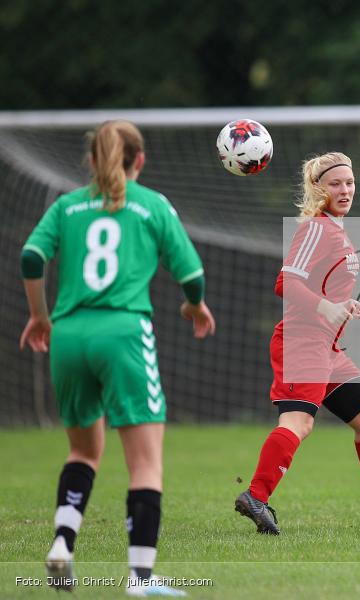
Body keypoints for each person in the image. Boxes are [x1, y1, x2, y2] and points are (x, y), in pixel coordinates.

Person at [19, 120, 216, 596]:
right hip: (123, 333)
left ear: (91, 160)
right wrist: (194, 305)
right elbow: (192, 274)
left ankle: (63, 543)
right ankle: (140, 579)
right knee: (145, 463)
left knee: (83, 451)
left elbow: (31, 257)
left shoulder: (67, 205)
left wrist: (40, 316)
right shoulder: (151, 205)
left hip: (68, 335)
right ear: (139, 160)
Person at [234, 152, 360, 535]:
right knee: (298, 422)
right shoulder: (317, 227)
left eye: (349, 182)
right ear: (318, 188)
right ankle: (255, 496)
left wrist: (342, 305)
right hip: (302, 343)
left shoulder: (335, 228)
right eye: (335, 184)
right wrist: (326, 306)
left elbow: (321, 287)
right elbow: (285, 283)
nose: (345, 190)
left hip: (327, 347)